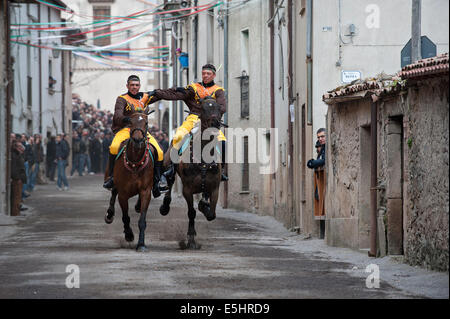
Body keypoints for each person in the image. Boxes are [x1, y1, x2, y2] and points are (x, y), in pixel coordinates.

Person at [148, 64, 228, 184]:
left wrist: (212, 113)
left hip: (210, 122)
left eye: (208, 74)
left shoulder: (218, 91)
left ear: (214, 75)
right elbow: (175, 95)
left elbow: (222, 108)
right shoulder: (194, 88)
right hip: (193, 118)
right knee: (178, 136)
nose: (205, 76)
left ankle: (222, 170)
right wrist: (158, 93)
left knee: (223, 142)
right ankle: (170, 169)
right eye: (204, 73)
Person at [103, 75, 166, 198]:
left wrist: (157, 92)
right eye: (132, 85)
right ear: (127, 86)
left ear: (139, 86)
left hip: (141, 130)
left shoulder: (144, 97)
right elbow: (117, 116)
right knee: (114, 147)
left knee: (160, 151)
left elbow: (161, 95)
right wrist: (127, 119)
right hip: (126, 129)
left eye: (136, 85)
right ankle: (111, 177)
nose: (134, 87)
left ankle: (157, 182)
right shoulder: (121, 99)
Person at [307, 128, 326, 218]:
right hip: (320, 181)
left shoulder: (326, 147)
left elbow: (324, 160)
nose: (320, 139)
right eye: (319, 137)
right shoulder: (323, 148)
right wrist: (312, 163)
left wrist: (313, 163)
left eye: (322, 136)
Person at [10, 135, 27, 216]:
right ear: (16, 147)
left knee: (18, 196)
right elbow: (14, 168)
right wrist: (17, 178)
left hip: (20, 178)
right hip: (17, 179)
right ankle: (15, 213)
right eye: (19, 146)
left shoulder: (18, 154)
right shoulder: (14, 155)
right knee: (16, 197)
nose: (21, 148)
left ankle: (17, 211)